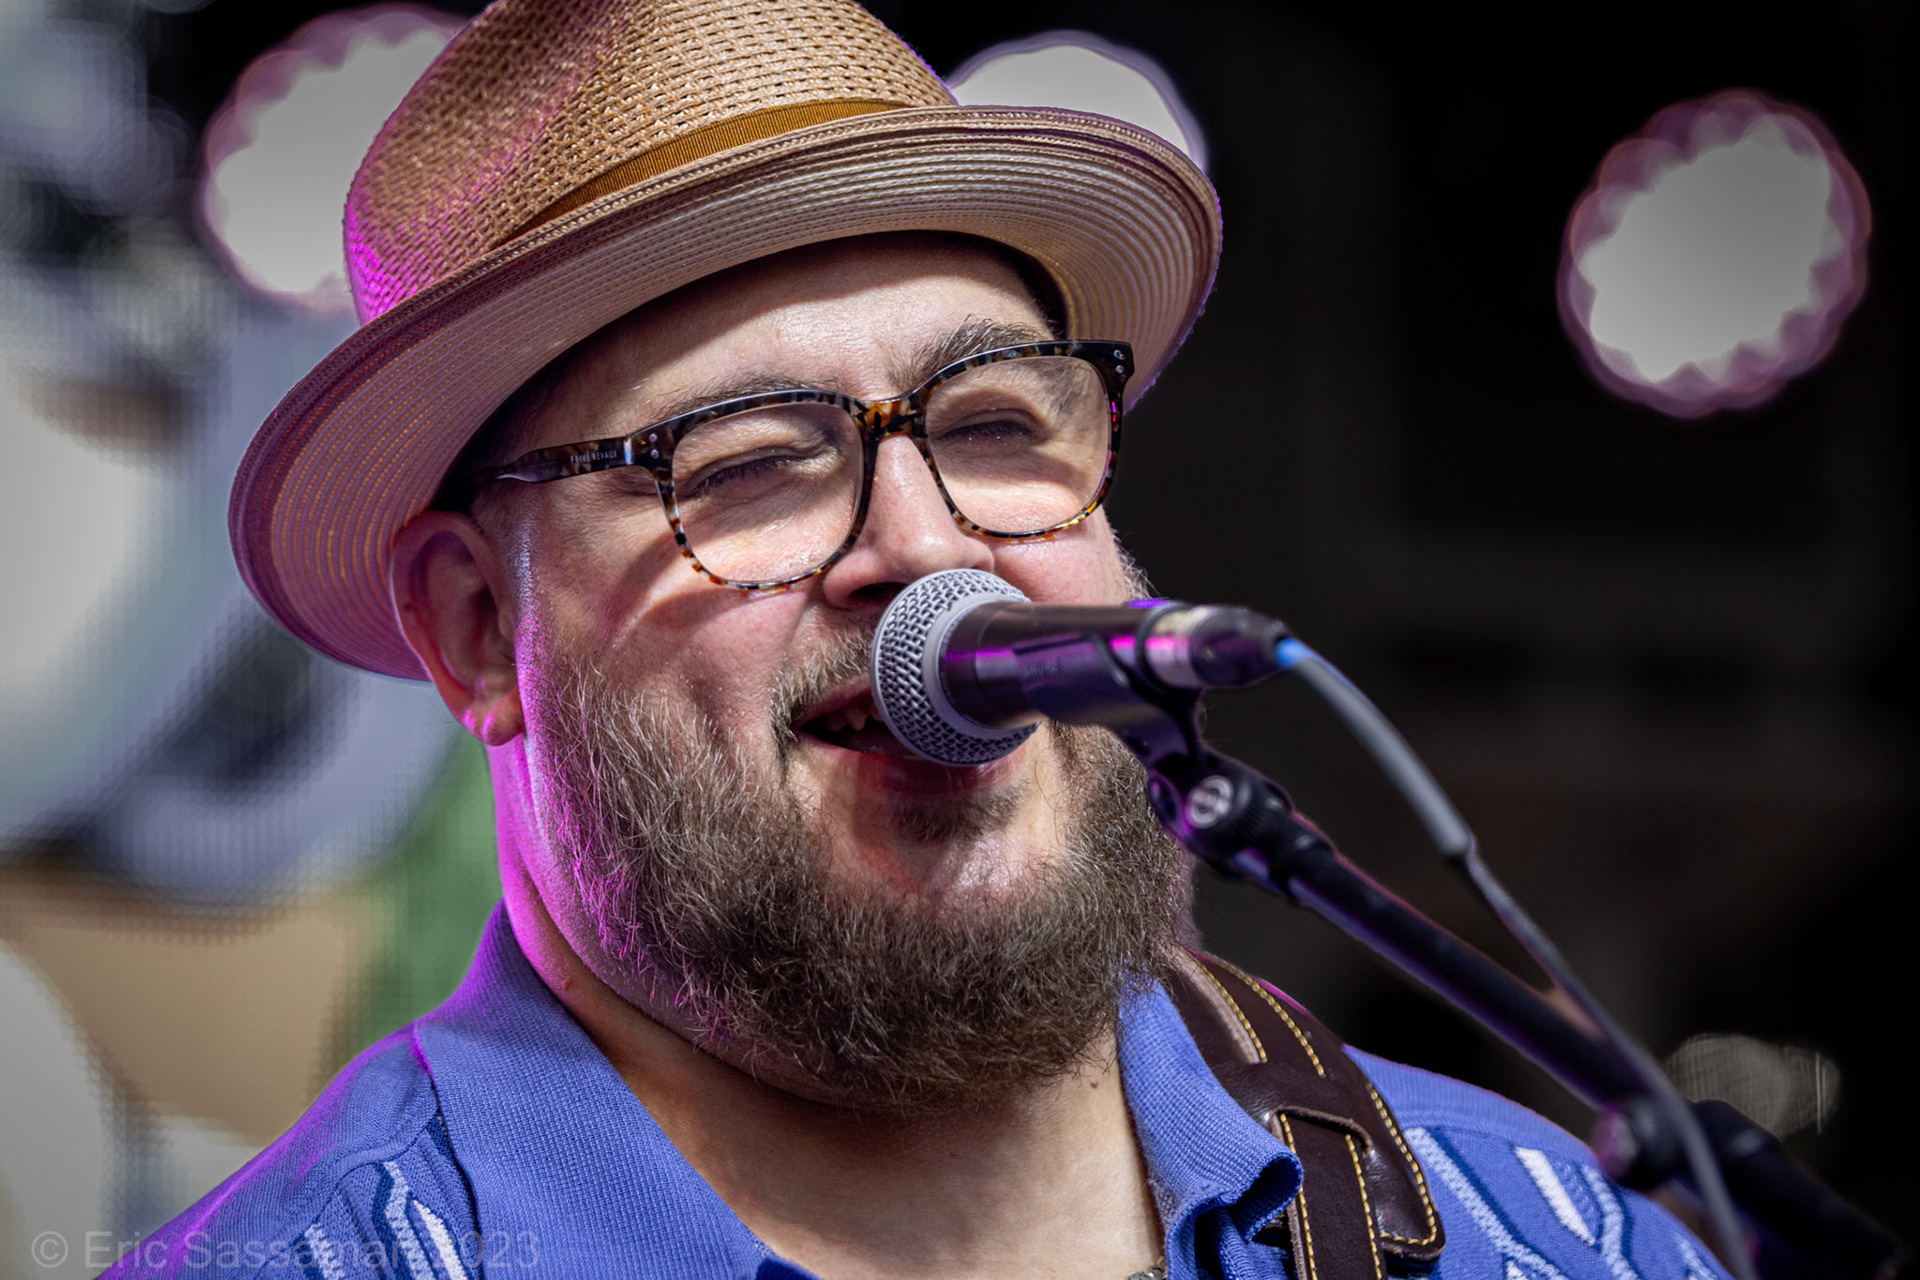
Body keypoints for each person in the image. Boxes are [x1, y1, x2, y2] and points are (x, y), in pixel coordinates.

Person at [112, 0, 1733, 1277]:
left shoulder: (1548, 1239)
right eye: (747, 464)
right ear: (478, 629)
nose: (931, 549)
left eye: (1000, 426)